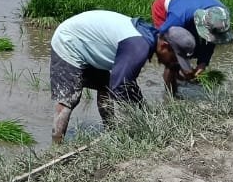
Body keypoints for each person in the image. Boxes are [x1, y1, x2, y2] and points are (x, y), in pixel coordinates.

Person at [50, 10, 197, 144]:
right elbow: (120, 86)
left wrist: (144, 111)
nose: (173, 63)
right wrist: (144, 118)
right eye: (175, 58)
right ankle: (56, 146)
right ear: (164, 46)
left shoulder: (147, 37)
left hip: (89, 43)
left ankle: (110, 130)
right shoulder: (139, 47)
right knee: (69, 99)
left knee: (105, 86)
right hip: (69, 41)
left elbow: (125, 83)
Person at [150, 0, 233, 93]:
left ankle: (181, 78)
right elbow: (162, 40)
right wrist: (182, 65)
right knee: (172, 57)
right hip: (166, 5)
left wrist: (203, 63)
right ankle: (171, 95)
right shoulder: (178, 17)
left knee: (191, 46)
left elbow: (212, 39)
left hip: (190, 2)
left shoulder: (221, 16)